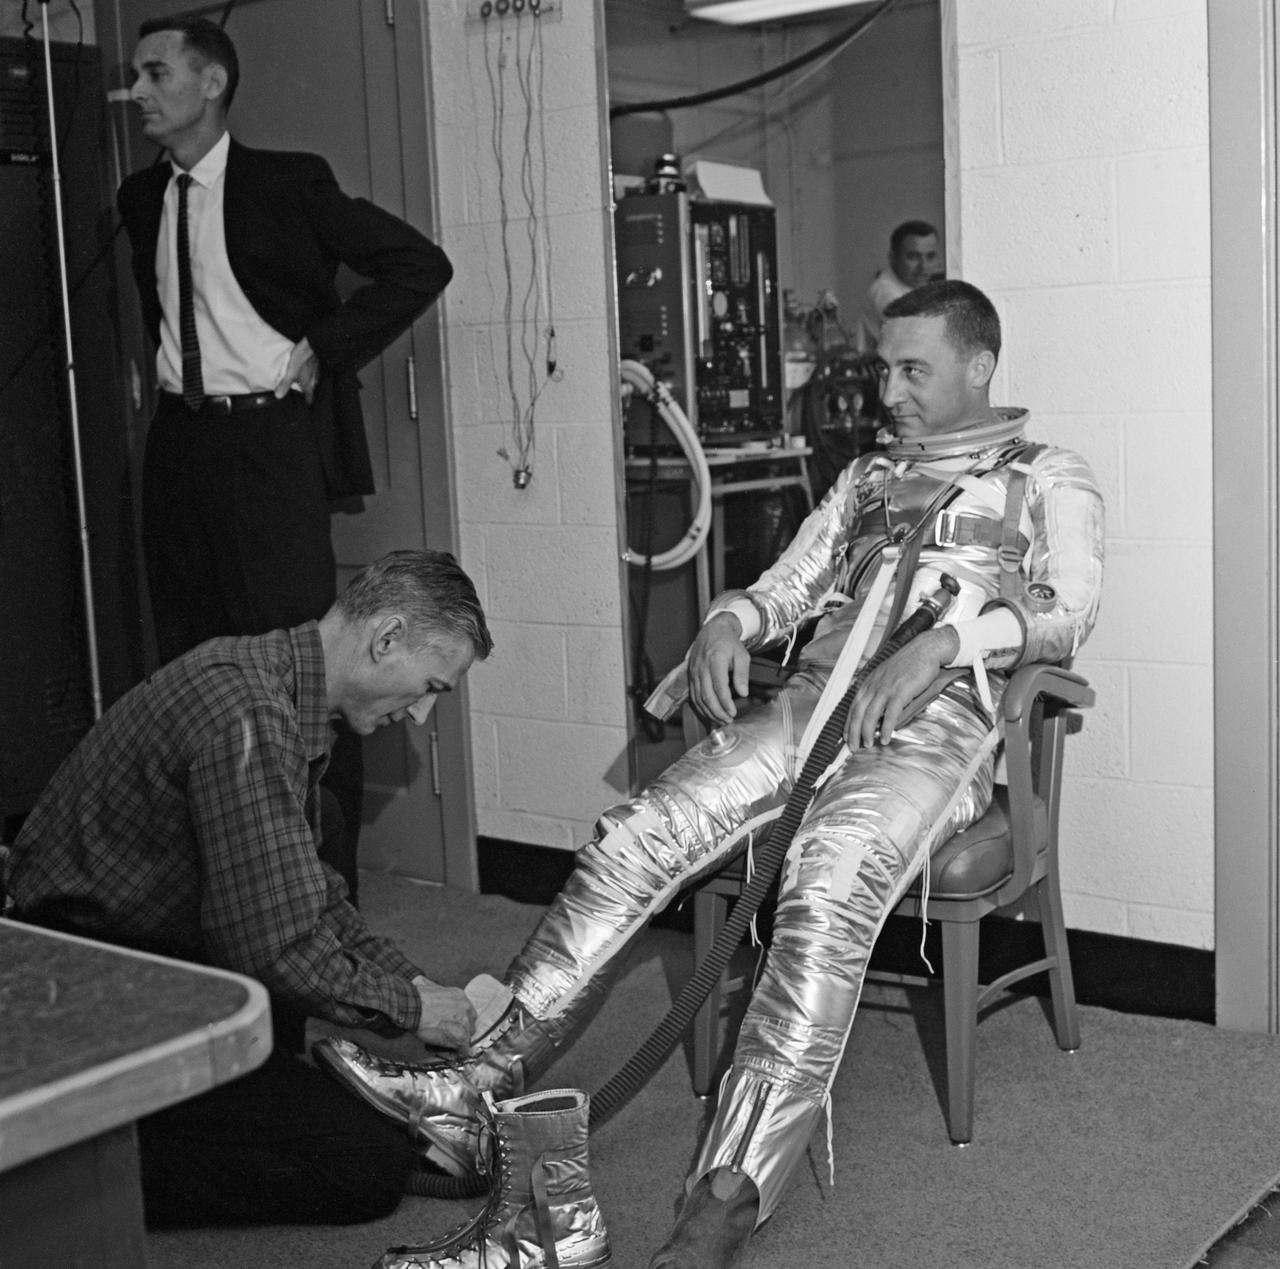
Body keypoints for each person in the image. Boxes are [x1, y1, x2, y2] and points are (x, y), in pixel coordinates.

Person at [313, 280, 1106, 1269]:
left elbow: (1064, 610)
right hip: (800, 717)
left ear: (977, 366)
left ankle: (726, 1195)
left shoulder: (1046, 478)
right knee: (635, 832)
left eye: (913, 371)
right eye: (883, 370)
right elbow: (788, 586)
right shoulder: (864, 480)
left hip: (931, 740)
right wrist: (730, 619)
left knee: (823, 887)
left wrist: (946, 644)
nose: (888, 393)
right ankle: (479, 1079)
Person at [3, 550, 493, 1229]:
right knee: (364, 1165)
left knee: (328, 829)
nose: (420, 715)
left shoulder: (274, 685)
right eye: (433, 685)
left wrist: (410, 980)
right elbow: (276, 947)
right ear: (387, 638)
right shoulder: (248, 712)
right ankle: (60, 1171)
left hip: (142, 947)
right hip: (83, 985)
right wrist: (411, 1010)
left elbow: (306, 893)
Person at [117, 16, 455, 900]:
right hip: (179, 449)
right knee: (189, 670)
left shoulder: (286, 184)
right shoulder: (138, 198)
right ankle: (215, 885)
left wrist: (324, 347)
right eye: (135, 76)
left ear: (213, 82)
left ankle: (321, 890)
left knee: (305, 674)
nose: (138, 93)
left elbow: (419, 265)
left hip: (268, 451)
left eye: (156, 74)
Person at [863, 218, 942, 343]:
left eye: (930, 256)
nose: (924, 266)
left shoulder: (914, 287)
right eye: (913, 257)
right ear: (892, 258)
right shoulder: (886, 293)